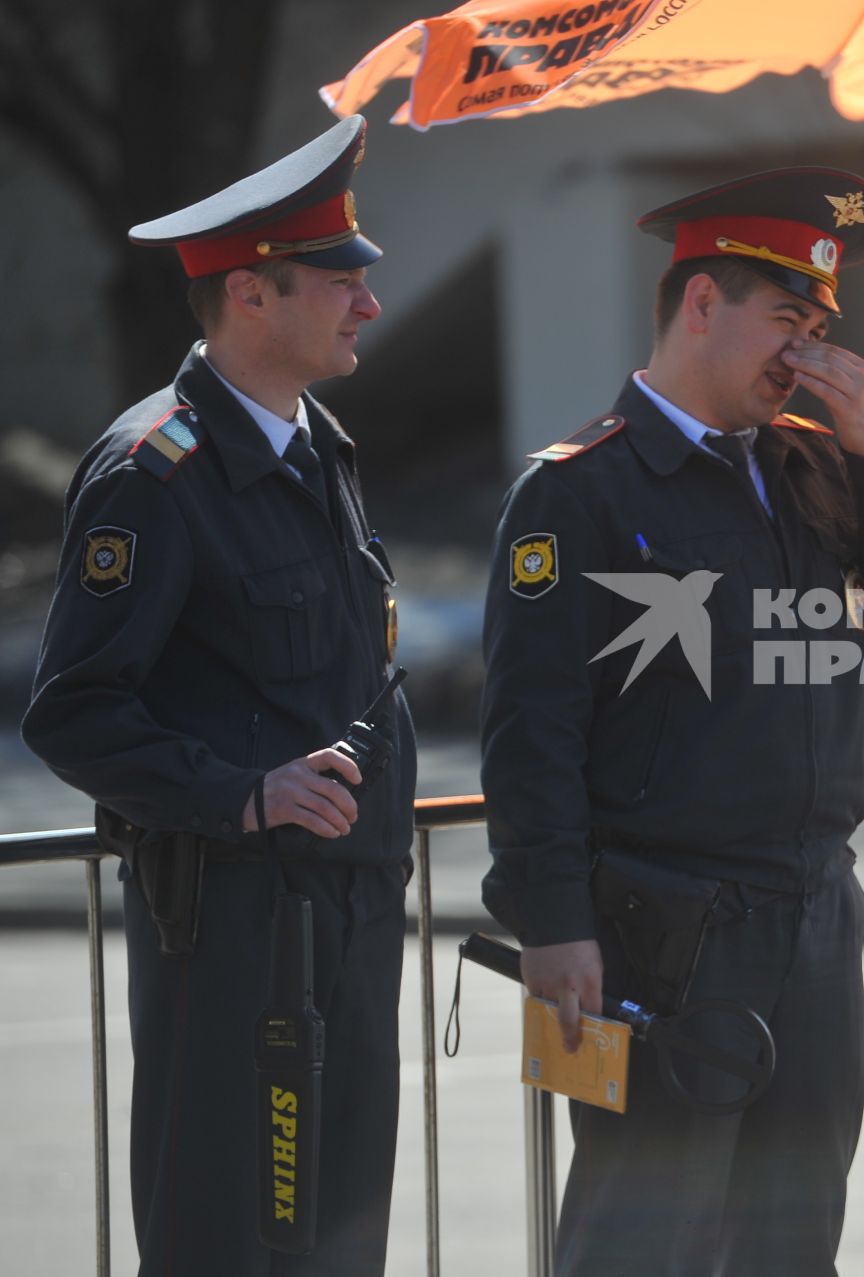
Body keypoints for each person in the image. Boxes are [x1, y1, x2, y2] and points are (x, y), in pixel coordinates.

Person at [479, 166, 864, 1275]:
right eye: (785, 320)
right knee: (640, 1242)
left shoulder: (804, 466)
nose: (802, 354)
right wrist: (551, 921)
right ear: (701, 302)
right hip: (659, 928)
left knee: (794, 1242)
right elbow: (530, 728)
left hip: (813, 912)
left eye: (817, 326)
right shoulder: (576, 490)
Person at [20, 114, 416, 1273]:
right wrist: (242, 794)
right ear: (253, 292)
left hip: (344, 907)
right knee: (232, 1241)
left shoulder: (318, 443)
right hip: (238, 926)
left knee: (338, 1243)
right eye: (342, 280)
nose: (370, 305)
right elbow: (74, 708)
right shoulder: (155, 471)